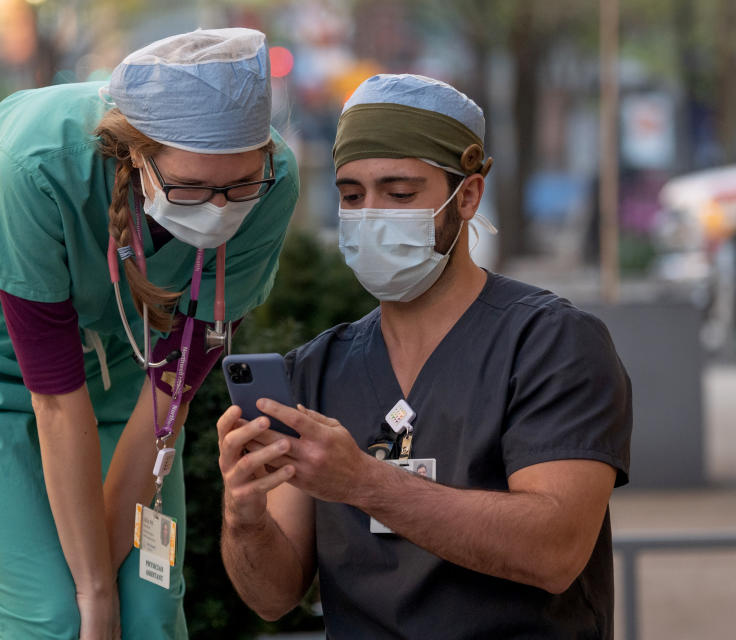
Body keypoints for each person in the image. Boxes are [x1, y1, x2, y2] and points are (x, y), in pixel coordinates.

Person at [0, 28, 298, 640]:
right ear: (133, 155)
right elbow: (56, 401)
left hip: (126, 366)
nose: (219, 210)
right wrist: (92, 595)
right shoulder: (32, 167)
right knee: (49, 615)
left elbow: (165, 404)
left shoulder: (275, 184)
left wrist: (106, 589)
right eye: (190, 188)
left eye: (238, 186)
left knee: (150, 610)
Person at [217, 74, 632, 638]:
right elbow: (272, 596)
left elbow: (554, 551)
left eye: (401, 193)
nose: (371, 215)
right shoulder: (317, 369)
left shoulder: (551, 344)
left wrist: (364, 481)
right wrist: (244, 516)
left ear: (467, 196)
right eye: (351, 195)